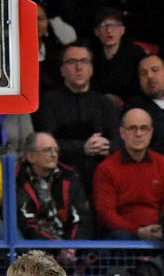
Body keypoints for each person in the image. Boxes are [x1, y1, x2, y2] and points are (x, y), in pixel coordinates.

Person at [33, 43, 122, 179]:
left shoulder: (105, 103)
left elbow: (120, 140)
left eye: (84, 61)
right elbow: (45, 142)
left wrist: (106, 146)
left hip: (101, 174)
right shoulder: (48, 102)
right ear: (62, 70)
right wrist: (83, 148)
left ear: (91, 69)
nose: (79, 67)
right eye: (72, 62)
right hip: (59, 173)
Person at [94, 109, 164, 240]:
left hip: (159, 231)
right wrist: (138, 231)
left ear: (151, 133)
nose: (138, 134)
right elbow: (105, 213)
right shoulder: (106, 168)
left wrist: (162, 228)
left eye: (144, 128)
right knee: (121, 237)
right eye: (132, 128)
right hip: (123, 234)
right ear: (122, 133)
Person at [16, 131, 94, 242]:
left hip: (71, 245)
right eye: (47, 150)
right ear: (30, 156)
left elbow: (83, 218)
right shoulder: (18, 180)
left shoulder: (69, 176)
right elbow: (26, 224)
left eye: (56, 150)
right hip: (37, 246)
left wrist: (71, 248)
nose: (54, 155)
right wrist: (56, 248)